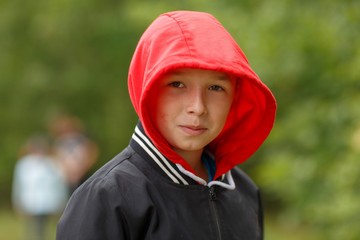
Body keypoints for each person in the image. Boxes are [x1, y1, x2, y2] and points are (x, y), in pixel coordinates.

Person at [56, 11, 276, 240]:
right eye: (177, 84)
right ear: (146, 89)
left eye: (215, 88)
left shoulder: (243, 191)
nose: (198, 107)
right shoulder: (108, 198)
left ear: (235, 98)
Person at [12, 134, 68, 240]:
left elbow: (59, 183)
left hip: (46, 201)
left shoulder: (52, 163)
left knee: (42, 224)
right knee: (31, 224)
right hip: (29, 199)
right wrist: (17, 200)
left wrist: (61, 200)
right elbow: (19, 184)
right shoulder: (24, 164)